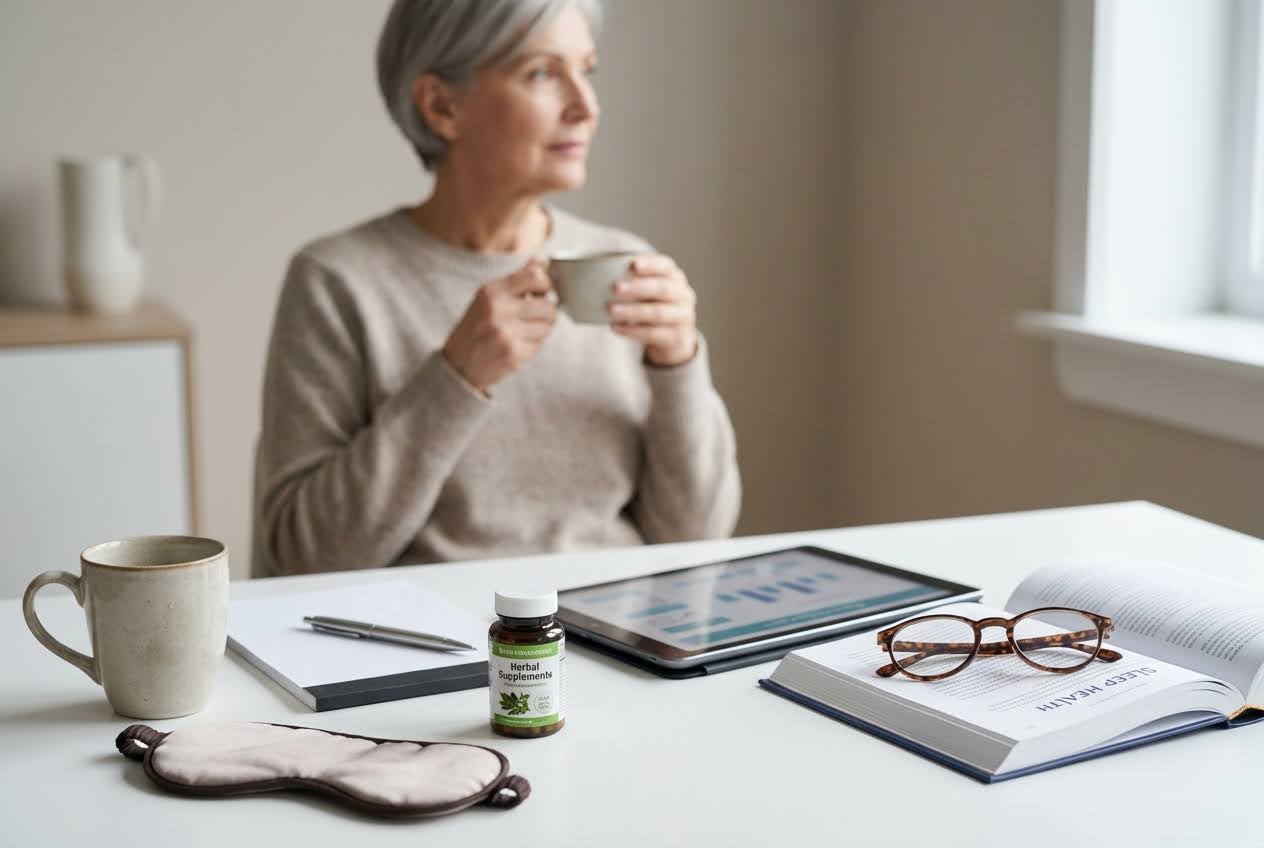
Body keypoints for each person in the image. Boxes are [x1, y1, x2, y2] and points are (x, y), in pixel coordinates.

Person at [253, 0, 740, 576]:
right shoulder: (338, 280)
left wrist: (678, 364)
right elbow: (304, 557)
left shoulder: (626, 267)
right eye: (541, 73)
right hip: (432, 647)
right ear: (441, 105)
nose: (586, 107)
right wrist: (455, 377)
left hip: (619, 634)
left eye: (587, 70)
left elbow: (698, 537)